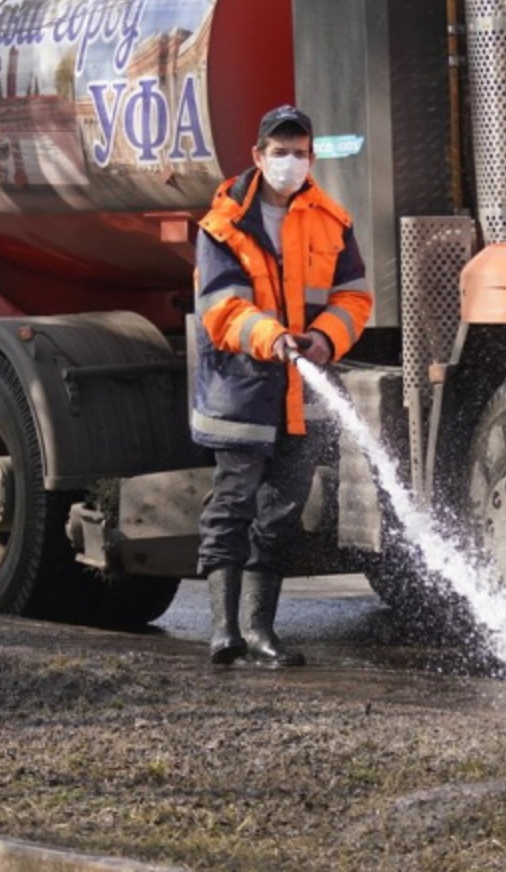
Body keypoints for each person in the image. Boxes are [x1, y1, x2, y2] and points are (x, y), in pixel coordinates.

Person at [191, 104, 372, 667]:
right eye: (279, 151)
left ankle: (260, 631)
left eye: (299, 152)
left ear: (311, 157)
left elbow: (354, 297)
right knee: (232, 507)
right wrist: (273, 338)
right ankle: (224, 631)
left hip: (303, 393)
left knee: (281, 515)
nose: (290, 161)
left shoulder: (332, 222)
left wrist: (323, 338)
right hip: (243, 391)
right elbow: (221, 308)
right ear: (258, 155)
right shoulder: (222, 226)